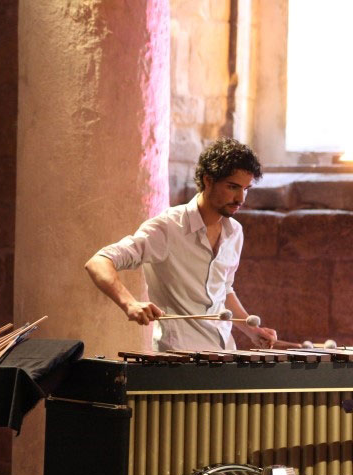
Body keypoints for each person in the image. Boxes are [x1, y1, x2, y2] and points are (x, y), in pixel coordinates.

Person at [85, 137, 277, 351]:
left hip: (223, 352)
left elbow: (223, 290)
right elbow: (98, 262)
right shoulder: (168, 228)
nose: (241, 198)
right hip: (178, 355)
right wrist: (129, 303)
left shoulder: (235, 232)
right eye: (233, 187)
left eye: (246, 189)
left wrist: (251, 330)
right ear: (208, 180)